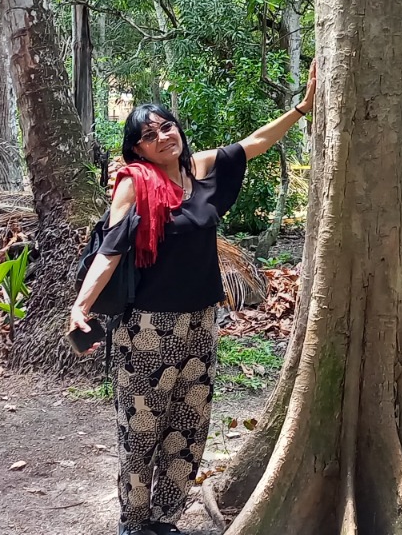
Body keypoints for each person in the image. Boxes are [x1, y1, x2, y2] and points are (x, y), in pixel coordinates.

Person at [69, 66, 316, 535]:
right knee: (141, 430)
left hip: (201, 321)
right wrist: (81, 306)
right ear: (137, 147)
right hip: (146, 329)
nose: (163, 136)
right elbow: (109, 251)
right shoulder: (133, 183)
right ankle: (134, 523)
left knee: (189, 425)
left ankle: (164, 519)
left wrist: (302, 108)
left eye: (167, 126)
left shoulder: (198, 169)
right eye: (149, 134)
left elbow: (255, 143)